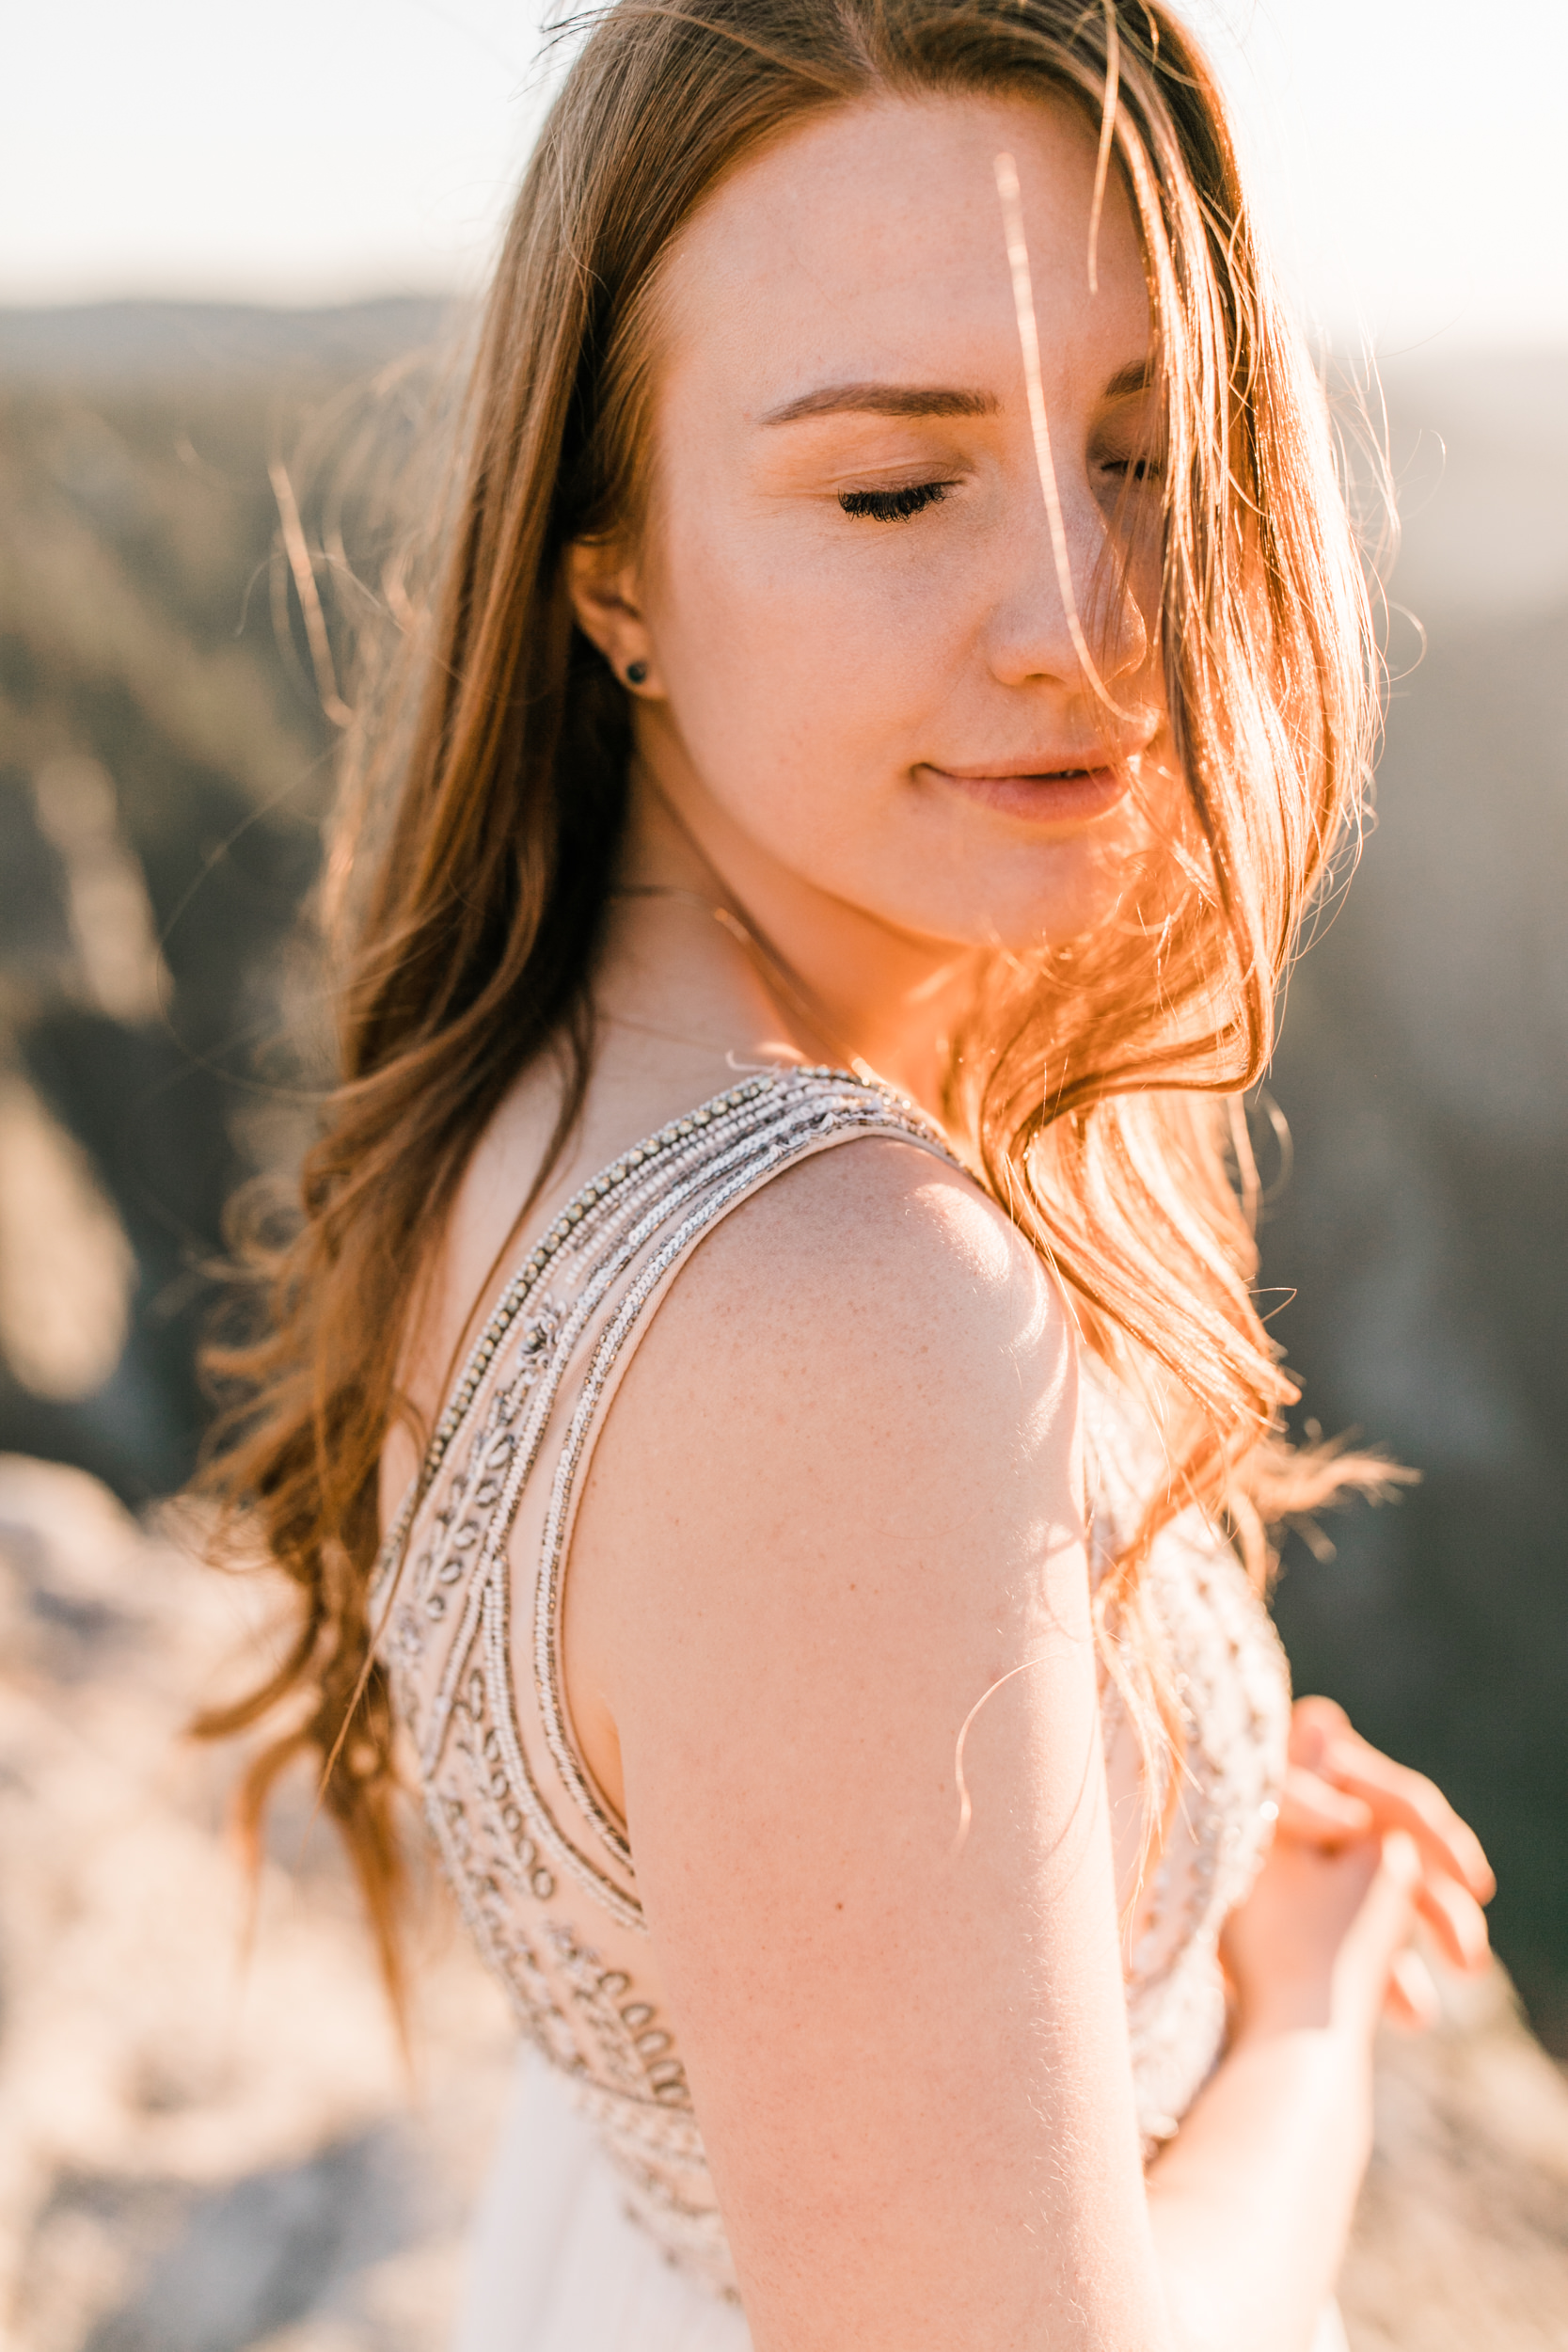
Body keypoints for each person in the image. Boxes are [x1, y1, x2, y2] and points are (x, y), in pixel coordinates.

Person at [201, 3, 1497, 2346]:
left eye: (1144, 449)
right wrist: (1303, 2013)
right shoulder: (851, 1309)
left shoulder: (530, 1105)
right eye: (897, 493)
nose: (1090, 625)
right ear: (608, 574)